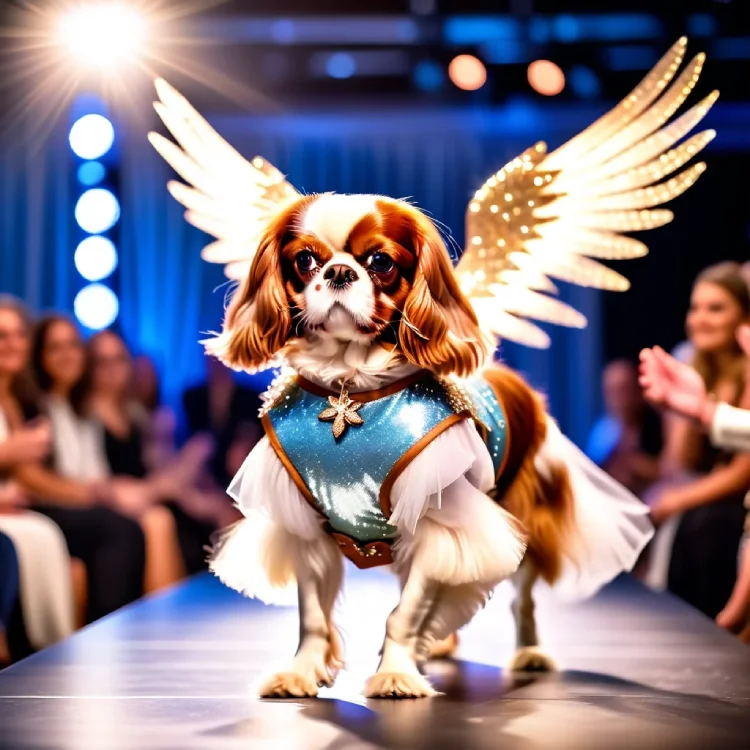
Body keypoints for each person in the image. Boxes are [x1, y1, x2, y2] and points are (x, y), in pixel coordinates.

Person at [0, 299, 146, 624]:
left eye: (18, 335)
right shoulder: (31, 403)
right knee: (117, 528)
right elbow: (29, 475)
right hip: (34, 504)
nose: (12, 344)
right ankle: (104, 631)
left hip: (28, 503)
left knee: (134, 523)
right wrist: (94, 494)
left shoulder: (69, 407)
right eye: (2, 336)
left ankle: (127, 627)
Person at [645, 262, 750, 619]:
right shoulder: (693, 364)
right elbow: (679, 461)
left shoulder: (748, 370)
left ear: (743, 316)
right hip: (706, 499)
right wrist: (679, 408)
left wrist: (678, 500)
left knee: (701, 522)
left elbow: (742, 472)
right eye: (695, 308)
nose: (701, 319)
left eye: (716, 308)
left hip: (733, 504)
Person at [86, 330, 217, 577]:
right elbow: (96, 478)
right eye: (102, 362)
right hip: (116, 498)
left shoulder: (134, 414)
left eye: (119, 360)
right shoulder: (86, 414)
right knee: (161, 520)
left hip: (143, 493)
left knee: (195, 522)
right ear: (89, 367)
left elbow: (153, 465)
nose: (112, 370)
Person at [585, 360, 661, 497]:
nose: (618, 398)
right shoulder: (603, 431)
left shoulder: (656, 426)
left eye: (623, 389)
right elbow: (592, 473)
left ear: (638, 390)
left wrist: (635, 464)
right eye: (611, 391)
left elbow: (670, 471)